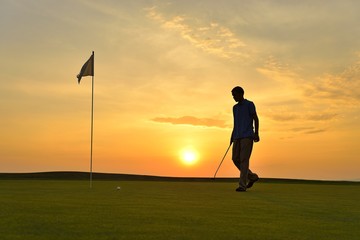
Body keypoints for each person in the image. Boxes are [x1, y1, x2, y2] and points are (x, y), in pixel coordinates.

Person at [230, 86, 260, 192]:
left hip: (247, 136)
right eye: (232, 95)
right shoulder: (235, 108)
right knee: (235, 158)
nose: (233, 97)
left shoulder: (249, 104)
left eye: (234, 95)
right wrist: (232, 136)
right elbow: (235, 123)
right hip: (237, 136)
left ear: (241, 94)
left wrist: (256, 133)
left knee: (244, 160)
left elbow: (255, 118)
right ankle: (252, 177)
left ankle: (242, 185)